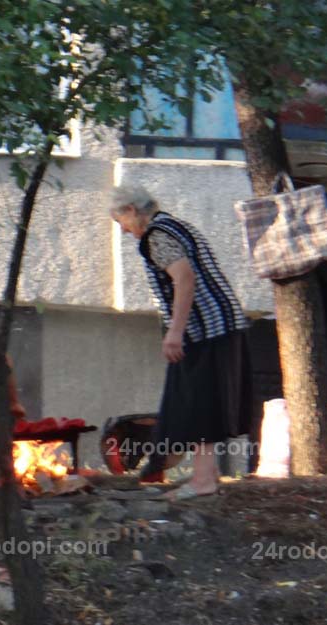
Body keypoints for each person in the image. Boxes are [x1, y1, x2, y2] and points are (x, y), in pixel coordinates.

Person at [110, 182, 252, 500]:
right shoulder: (178, 225)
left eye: (120, 222)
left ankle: (202, 481)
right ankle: (207, 475)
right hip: (224, 323)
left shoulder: (157, 235)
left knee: (196, 402)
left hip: (204, 329)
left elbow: (184, 278)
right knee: (205, 400)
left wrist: (175, 331)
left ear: (131, 210)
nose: (123, 231)